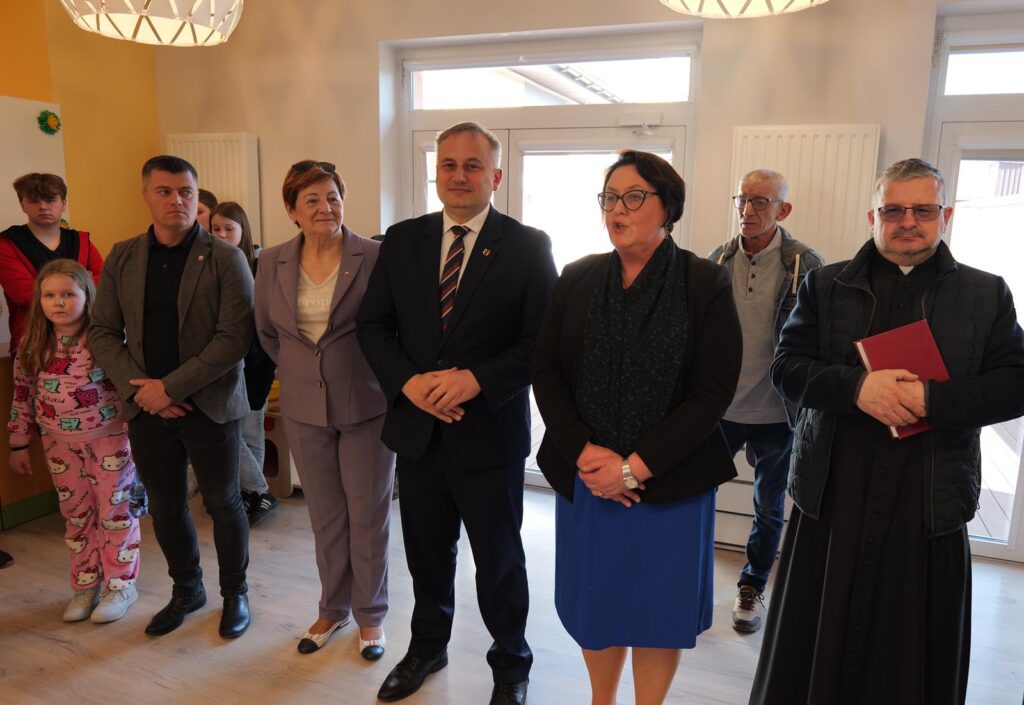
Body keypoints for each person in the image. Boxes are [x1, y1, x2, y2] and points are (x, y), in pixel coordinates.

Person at [752, 158, 1024, 705]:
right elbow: (786, 368)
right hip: (834, 496)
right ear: (873, 216)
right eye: (894, 210)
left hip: (928, 500)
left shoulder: (986, 294)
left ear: (945, 215)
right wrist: (857, 388)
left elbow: (1015, 385)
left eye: (923, 210)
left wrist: (931, 399)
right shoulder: (824, 286)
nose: (908, 222)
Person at [531, 150, 742, 705]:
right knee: (596, 601)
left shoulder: (704, 282)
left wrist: (634, 468)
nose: (616, 210)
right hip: (589, 477)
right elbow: (546, 370)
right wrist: (585, 454)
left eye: (632, 197)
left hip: (669, 483)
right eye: (609, 198)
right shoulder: (577, 277)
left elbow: (712, 392)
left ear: (667, 206)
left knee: (657, 611)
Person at [357, 122, 558, 705]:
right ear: (436, 172)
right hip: (419, 434)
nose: (460, 175)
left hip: (489, 436)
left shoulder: (527, 245)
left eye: (473, 165)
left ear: (496, 176)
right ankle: (427, 648)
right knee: (426, 555)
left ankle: (511, 665)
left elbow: (542, 343)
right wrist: (409, 383)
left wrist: (475, 380)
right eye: (449, 164)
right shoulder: (403, 239)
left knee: (499, 562)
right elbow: (373, 326)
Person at [89, 155, 254, 640]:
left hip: (210, 405)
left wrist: (171, 388)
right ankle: (187, 590)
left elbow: (234, 337)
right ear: (146, 195)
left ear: (197, 197)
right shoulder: (123, 256)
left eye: (186, 192)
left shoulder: (225, 257)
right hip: (146, 408)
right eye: (164, 191)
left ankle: (235, 594)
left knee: (223, 503)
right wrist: (145, 390)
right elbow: (101, 332)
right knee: (164, 506)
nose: (176, 200)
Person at [255, 160, 394, 659]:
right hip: (303, 407)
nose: (325, 207)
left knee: (368, 515)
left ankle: (371, 616)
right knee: (326, 517)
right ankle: (332, 608)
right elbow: (268, 334)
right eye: (311, 199)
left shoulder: (374, 256)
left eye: (332, 197)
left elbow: (391, 328)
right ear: (291, 209)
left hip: (365, 405)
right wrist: (304, 375)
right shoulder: (272, 261)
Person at [707, 169, 824, 632]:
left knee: (769, 506)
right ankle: (691, 579)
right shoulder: (717, 260)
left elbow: (818, 339)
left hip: (779, 413)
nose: (748, 210)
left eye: (760, 201)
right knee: (695, 496)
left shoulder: (806, 265)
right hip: (721, 410)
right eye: (742, 199)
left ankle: (752, 586)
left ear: (783, 210)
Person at [8, 260, 140, 623]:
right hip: (58, 445)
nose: (59, 302)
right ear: (39, 300)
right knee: (77, 516)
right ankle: (86, 584)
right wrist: (18, 443)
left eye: (68, 294)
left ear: (87, 296)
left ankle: (121, 585)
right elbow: (23, 394)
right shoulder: (32, 344)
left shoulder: (106, 341)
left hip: (110, 439)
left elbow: (131, 387)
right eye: (50, 295)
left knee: (115, 514)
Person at [211, 201, 278, 526]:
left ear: (242, 230)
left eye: (229, 228)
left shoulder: (260, 264)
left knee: (251, 431)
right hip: (224, 362)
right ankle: (259, 491)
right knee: (230, 432)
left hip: (256, 360)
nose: (222, 235)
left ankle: (253, 494)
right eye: (216, 229)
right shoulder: (208, 265)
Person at [0, 173, 103, 353]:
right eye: (34, 201)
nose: (43, 206)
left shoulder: (82, 241)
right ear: (22, 205)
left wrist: (43, 287)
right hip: (32, 342)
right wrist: (82, 282)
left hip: (85, 339)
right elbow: (24, 294)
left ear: (63, 203)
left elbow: (105, 283)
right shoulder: (6, 244)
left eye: (50, 200)